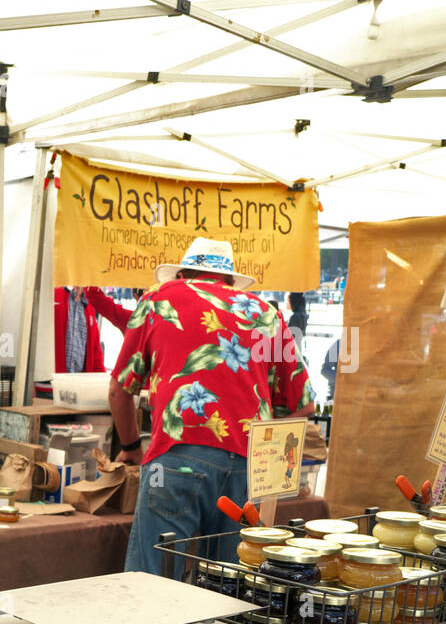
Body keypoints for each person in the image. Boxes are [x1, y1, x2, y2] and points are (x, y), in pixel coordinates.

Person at [109, 238, 316, 576]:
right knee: (229, 587)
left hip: (176, 458)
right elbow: (302, 406)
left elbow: (119, 390)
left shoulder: (159, 299)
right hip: (248, 469)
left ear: (183, 272)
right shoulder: (264, 313)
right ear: (230, 280)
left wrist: (131, 447)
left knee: (154, 581)